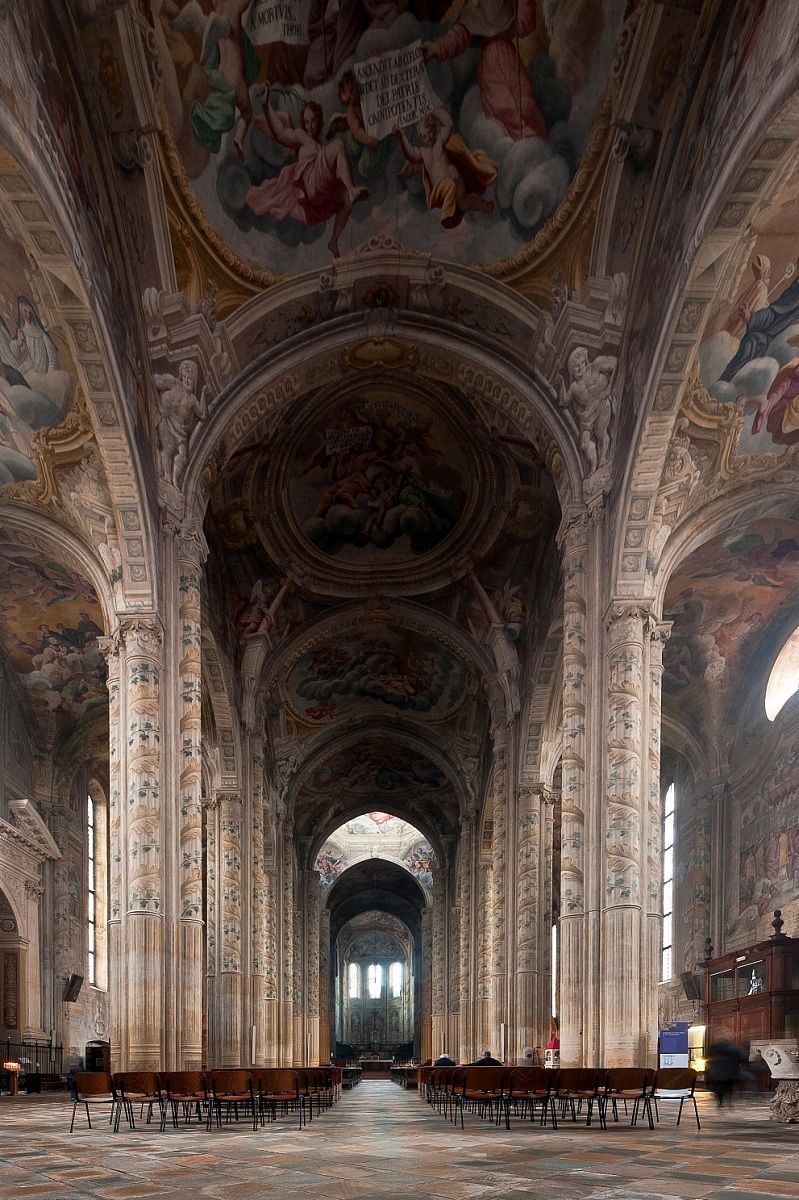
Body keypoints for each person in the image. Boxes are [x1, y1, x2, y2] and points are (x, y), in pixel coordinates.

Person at [246, 87, 368, 258]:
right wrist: (266, 105)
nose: (310, 126)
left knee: (347, 200)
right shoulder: (301, 137)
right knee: (338, 146)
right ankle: (352, 189)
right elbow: (280, 133)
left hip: (322, 193)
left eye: (313, 121)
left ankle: (333, 241)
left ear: (319, 121)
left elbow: (339, 171)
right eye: (306, 121)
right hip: (311, 183)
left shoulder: (322, 149)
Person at [395, 109, 497, 230]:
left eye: (430, 132)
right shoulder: (423, 153)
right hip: (442, 188)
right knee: (448, 184)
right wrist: (402, 137)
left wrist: (434, 110)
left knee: (464, 202)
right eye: (424, 136)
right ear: (420, 138)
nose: (428, 138)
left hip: (456, 181)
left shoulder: (440, 142)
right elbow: (410, 154)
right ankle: (447, 212)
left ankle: (485, 206)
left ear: (434, 130)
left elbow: (449, 124)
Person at [705, 1039, 747, 1107]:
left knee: (719, 1089)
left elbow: (707, 1059)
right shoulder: (733, 1049)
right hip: (730, 1074)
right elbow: (742, 1059)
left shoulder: (714, 1049)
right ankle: (729, 1101)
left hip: (717, 1074)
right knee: (729, 1088)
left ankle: (720, 1102)